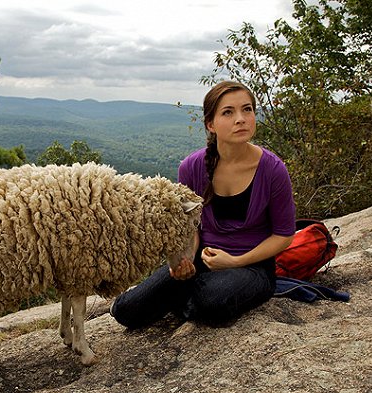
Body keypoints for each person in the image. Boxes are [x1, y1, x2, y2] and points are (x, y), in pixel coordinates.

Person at [111, 80, 296, 327]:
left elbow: (284, 235)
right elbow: (191, 227)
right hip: (202, 260)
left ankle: (186, 299)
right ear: (211, 124)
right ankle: (186, 299)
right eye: (228, 112)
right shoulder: (192, 167)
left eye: (247, 109)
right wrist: (185, 260)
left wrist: (235, 262)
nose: (240, 119)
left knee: (212, 300)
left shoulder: (273, 170)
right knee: (126, 311)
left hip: (252, 266)